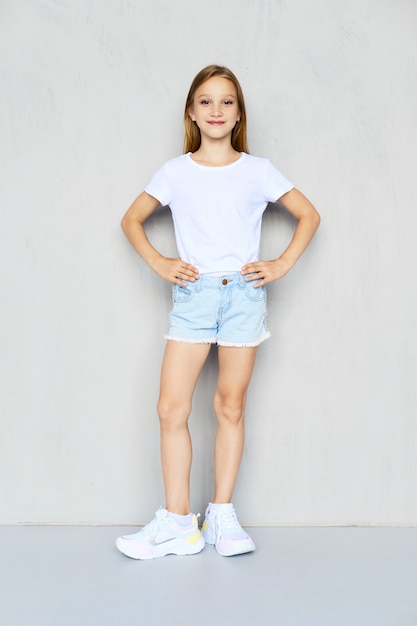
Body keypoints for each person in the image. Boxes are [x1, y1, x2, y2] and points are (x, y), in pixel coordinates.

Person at [116, 64, 320, 560]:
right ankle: (179, 522)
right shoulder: (175, 171)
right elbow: (132, 219)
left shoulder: (258, 169)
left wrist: (281, 264)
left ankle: (221, 515)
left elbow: (309, 215)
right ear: (191, 110)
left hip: (243, 297)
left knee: (230, 406)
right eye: (205, 101)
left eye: (226, 101)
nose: (216, 110)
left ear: (238, 113)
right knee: (171, 408)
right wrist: (161, 262)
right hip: (194, 297)